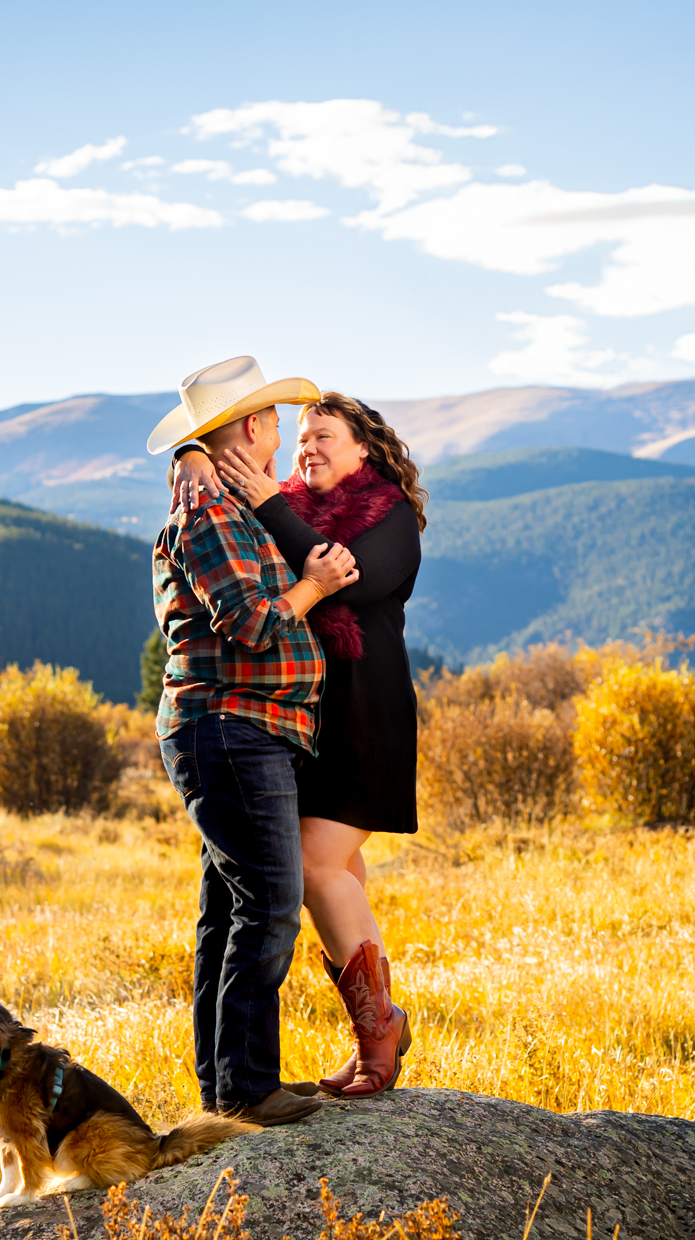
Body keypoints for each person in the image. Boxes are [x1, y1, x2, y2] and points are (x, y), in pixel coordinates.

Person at [171, 391, 422, 1096]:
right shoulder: (271, 505)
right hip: (292, 725)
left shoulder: (389, 519)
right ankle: (375, 1033)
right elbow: (230, 512)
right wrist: (192, 453)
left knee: (313, 870)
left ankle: (382, 1032)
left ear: (363, 450)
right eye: (300, 436)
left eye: (324, 436)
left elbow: (341, 579)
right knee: (333, 880)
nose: (306, 446)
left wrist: (269, 503)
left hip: (364, 722)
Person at [146, 356, 361, 1127]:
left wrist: (193, 455)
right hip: (232, 730)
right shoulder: (209, 515)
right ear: (249, 427)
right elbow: (251, 621)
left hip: (241, 730)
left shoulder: (227, 502)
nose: (281, 431)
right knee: (269, 903)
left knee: (229, 911)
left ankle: (228, 1087)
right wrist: (317, 588)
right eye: (272, 418)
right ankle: (244, 1087)